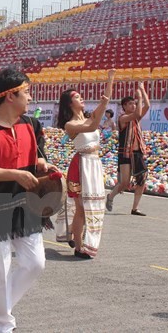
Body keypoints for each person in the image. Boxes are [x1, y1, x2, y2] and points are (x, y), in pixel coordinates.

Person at [0, 68, 56, 333]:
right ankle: (3, 324)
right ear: (9, 97)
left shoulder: (31, 124)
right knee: (1, 268)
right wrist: (14, 174)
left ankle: (0, 301)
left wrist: (42, 165)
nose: (30, 97)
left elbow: (37, 155)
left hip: (29, 201)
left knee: (35, 263)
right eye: (26, 92)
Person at [54, 70, 115, 259]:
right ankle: (80, 246)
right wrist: (102, 105)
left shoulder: (88, 117)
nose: (82, 99)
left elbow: (98, 115)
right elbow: (91, 127)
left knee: (92, 204)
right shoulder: (70, 125)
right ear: (69, 104)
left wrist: (110, 79)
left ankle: (80, 239)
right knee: (81, 207)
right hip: (81, 165)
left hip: (94, 163)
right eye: (77, 97)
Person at [106, 83, 151, 216]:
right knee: (125, 182)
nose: (134, 106)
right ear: (124, 106)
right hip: (125, 152)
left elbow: (147, 106)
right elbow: (138, 112)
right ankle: (110, 196)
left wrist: (142, 91)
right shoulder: (123, 118)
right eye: (130, 104)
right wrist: (139, 98)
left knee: (142, 178)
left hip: (137, 152)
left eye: (134, 103)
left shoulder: (136, 118)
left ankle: (135, 208)